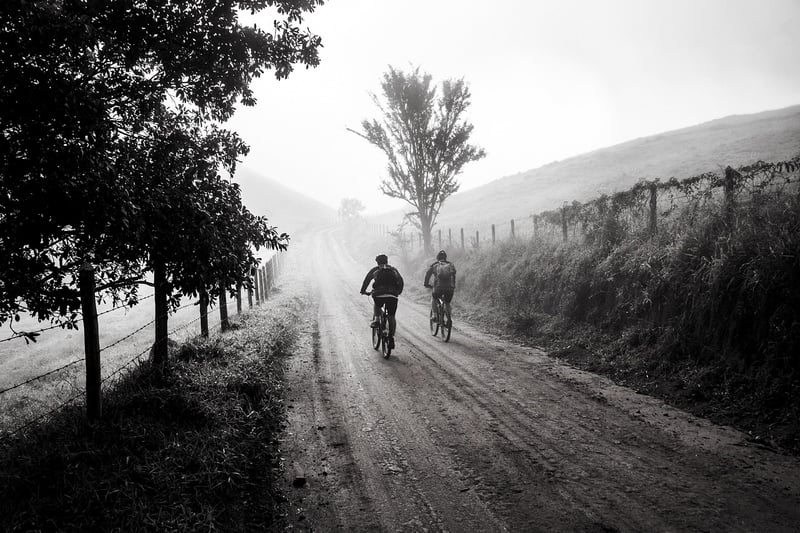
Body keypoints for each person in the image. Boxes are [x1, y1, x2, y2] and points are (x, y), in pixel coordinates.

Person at [360, 254, 404, 349]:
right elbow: (401, 281)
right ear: (387, 261)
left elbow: (367, 280)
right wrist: (398, 292)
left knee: (377, 305)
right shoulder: (393, 270)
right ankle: (391, 336)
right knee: (391, 316)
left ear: (377, 262)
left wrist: (363, 291)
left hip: (379, 293)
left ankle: (376, 320)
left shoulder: (375, 270)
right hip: (392, 295)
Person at [424, 250, 456, 326]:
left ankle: (435, 315)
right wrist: (453, 286)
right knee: (447, 303)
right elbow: (454, 275)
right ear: (445, 258)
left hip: (438, 288)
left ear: (437, 258)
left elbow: (428, 274)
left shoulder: (435, 265)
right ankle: (449, 319)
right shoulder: (451, 265)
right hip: (450, 288)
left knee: (434, 298)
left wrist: (426, 284)